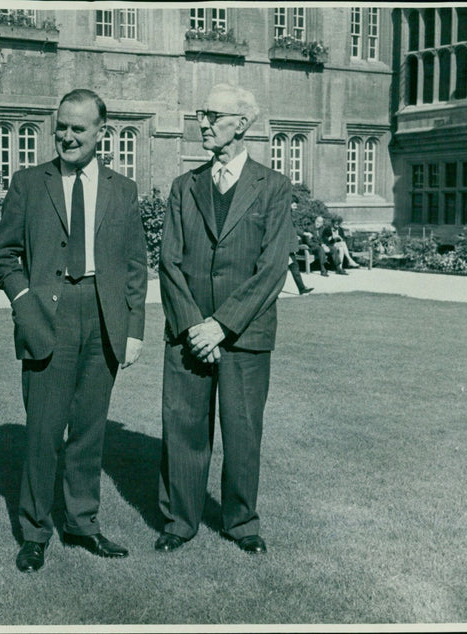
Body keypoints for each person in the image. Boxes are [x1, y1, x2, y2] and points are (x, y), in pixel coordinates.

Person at [0, 89, 148, 573]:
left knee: (88, 432)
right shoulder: (28, 182)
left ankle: (81, 524)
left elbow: (136, 265)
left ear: (102, 131)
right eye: (61, 126)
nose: (67, 136)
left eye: (79, 128)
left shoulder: (123, 190)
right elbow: (4, 256)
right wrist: (23, 303)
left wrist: (134, 330)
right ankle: (35, 532)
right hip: (47, 318)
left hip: (103, 319)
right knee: (42, 432)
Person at [155, 83, 294, 556]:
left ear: (242, 123)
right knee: (183, 427)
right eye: (201, 114)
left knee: (242, 432)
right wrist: (196, 325)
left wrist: (222, 325)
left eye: (212, 115)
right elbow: (169, 261)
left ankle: (241, 521)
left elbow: (273, 266)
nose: (204, 123)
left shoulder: (272, 187)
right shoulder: (183, 186)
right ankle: (179, 520)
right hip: (188, 335)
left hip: (244, 335)